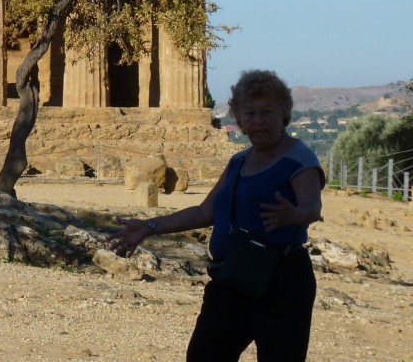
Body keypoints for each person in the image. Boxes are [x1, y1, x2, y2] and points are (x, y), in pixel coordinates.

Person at [108, 70, 324, 361]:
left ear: (284, 114)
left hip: (282, 280)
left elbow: (313, 208)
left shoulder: (300, 158)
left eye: (267, 112)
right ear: (239, 119)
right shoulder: (238, 161)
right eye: (250, 113)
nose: (258, 120)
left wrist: (296, 215)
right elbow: (205, 211)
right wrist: (149, 227)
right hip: (232, 276)